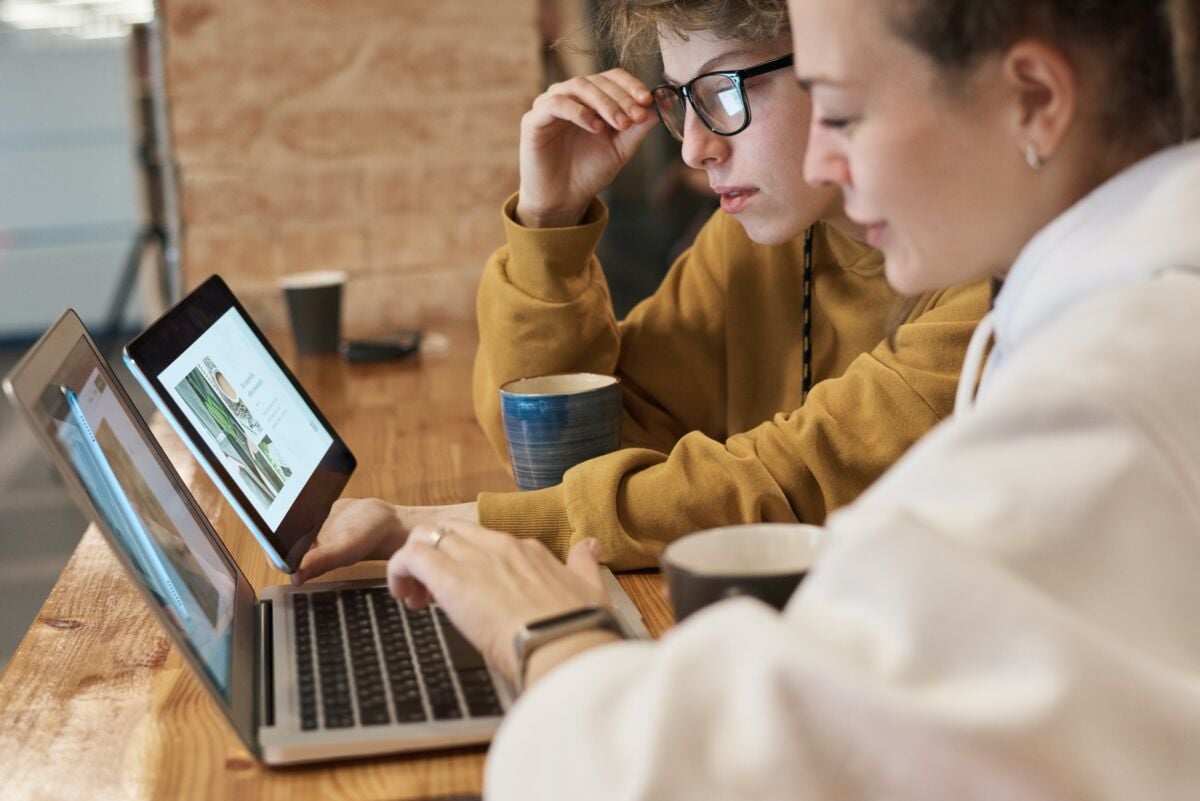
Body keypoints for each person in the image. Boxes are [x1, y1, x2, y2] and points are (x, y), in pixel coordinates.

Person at [344, 0, 1200, 797]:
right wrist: (549, 228)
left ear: (1035, 100)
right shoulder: (1084, 316)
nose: (825, 159)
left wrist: (545, 629)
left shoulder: (1103, 392)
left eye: (847, 108)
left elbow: (692, 774)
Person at [294, 0, 989, 581]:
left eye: (725, 91)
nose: (694, 148)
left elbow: (781, 483)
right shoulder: (759, 244)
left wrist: (436, 526)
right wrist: (549, 225)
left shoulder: (992, 284)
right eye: (683, 99)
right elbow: (566, 455)